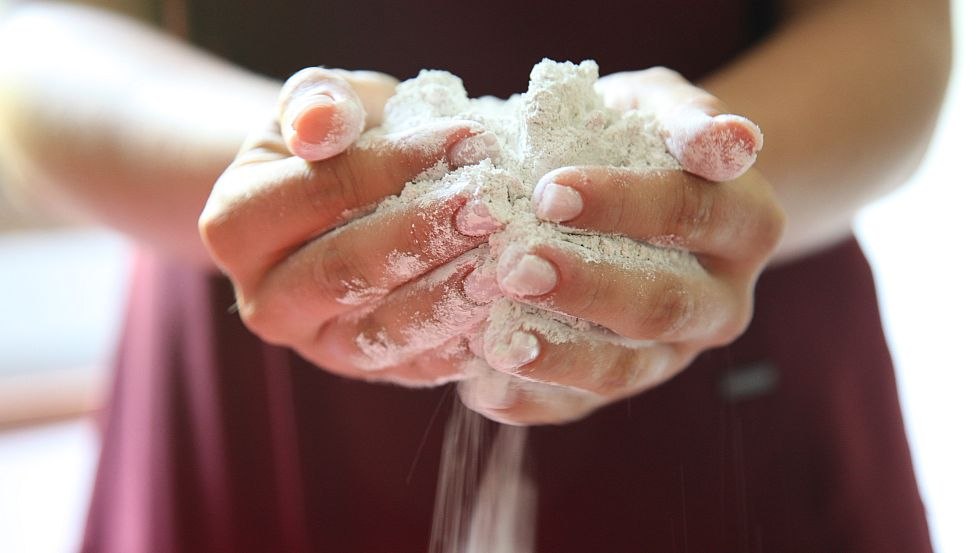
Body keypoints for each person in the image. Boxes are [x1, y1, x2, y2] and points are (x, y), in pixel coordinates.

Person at [0, 0, 951, 551]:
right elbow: (45, 39)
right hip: (251, 348)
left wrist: (711, 188)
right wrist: (295, 182)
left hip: (732, 332)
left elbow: (897, 34)